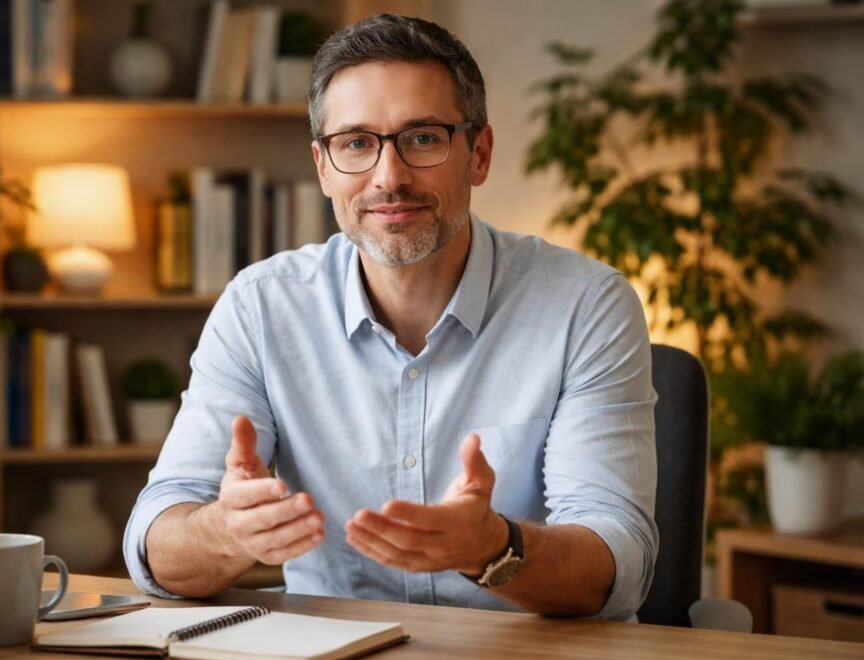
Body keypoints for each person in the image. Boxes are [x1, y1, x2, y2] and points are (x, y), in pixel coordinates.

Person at [124, 14, 657, 620]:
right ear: (324, 167)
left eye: (422, 138)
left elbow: (619, 565)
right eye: (355, 143)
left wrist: (493, 548)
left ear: (478, 155)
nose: (388, 177)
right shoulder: (261, 306)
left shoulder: (586, 305)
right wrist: (225, 532)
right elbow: (154, 540)